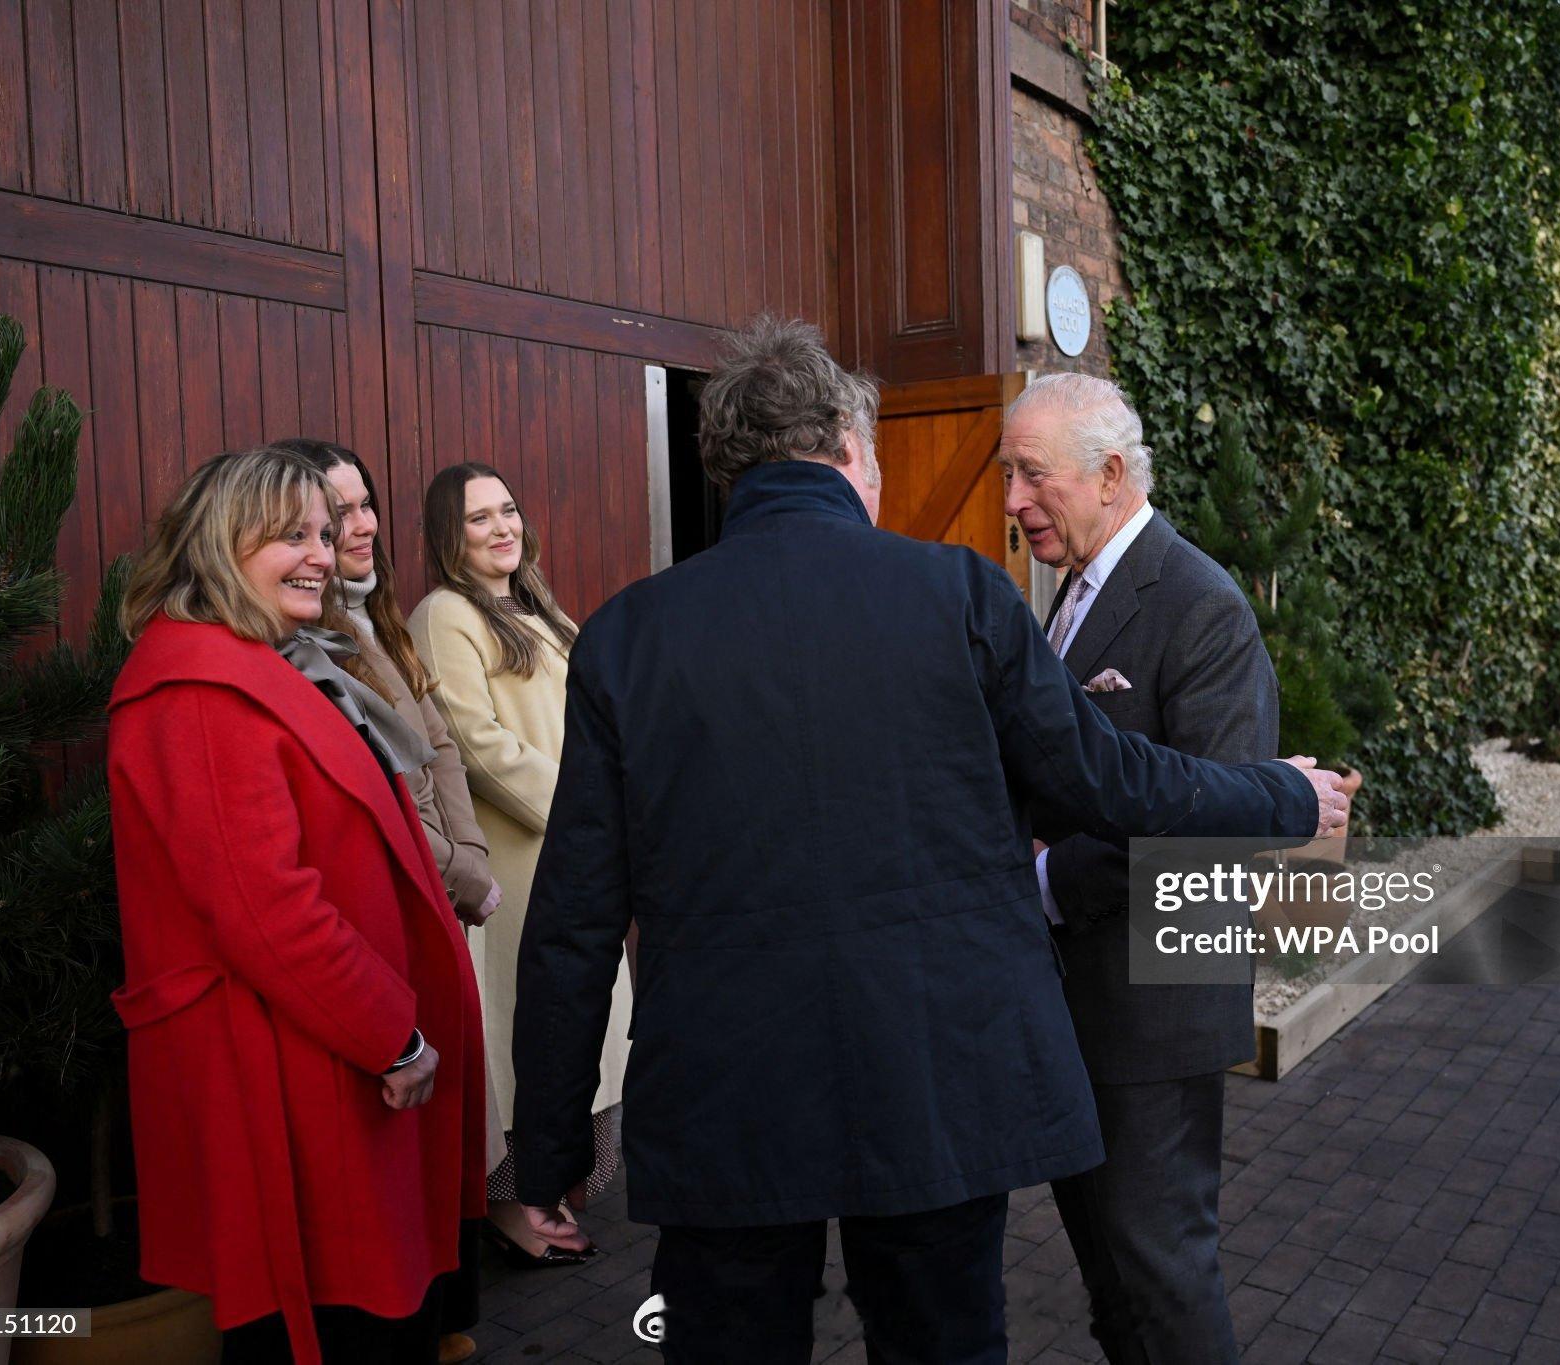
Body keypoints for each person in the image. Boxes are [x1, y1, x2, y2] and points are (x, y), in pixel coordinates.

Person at [510, 318, 1351, 1365]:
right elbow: (1110, 780)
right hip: (932, 1087)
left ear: (726, 466)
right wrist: (1279, 797)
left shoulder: (629, 635)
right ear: (851, 448)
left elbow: (574, 918)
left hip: (728, 1104)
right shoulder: (956, 594)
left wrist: (546, 1143)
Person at [107, 448, 484, 1365]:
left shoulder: (268, 660)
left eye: (323, 531)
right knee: (341, 1322)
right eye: (289, 536)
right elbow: (267, 910)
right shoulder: (201, 689)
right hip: (296, 1072)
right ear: (216, 545)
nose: (320, 553)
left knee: (377, 1304)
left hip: (328, 1059)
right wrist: (392, 1033)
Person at [1001, 372, 1289, 1364]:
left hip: (1150, 1006)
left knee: (1160, 1274)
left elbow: (1208, 818)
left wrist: (1041, 882)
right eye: (1008, 475)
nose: (1011, 502)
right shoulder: (1073, 594)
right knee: (1110, 1277)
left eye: (1032, 476)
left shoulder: (1200, 605)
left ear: (1110, 473)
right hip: (1077, 1004)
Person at [272, 436, 503, 1365]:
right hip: (407, 910)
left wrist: (471, 857)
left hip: (450, 891)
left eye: (364, 506)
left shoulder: (379, 620)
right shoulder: (307, 641)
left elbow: (438, 741)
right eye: (332, 515)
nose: (354, 529)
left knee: (448, 1137)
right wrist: (462, 869)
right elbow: (390, 785)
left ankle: (445, 1309)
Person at [410, 462, 631, 1265]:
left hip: (574, 854)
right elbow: (474, 744)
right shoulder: (444, 614)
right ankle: (511, 1206)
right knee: (517, 1039)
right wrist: (587, 808)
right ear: (448, 533)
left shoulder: (535, 607)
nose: (502, 526)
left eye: (508, 509)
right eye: (479, 518)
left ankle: (564, 1183)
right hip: (523, 865)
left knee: (588, 1032)